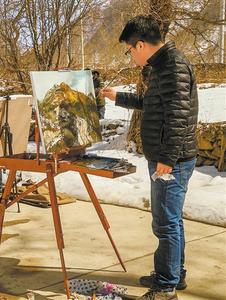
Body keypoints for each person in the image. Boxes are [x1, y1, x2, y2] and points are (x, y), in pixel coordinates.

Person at [101, 15, 198, 300]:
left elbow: (178, 117)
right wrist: (118, 97)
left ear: (140, 44)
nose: (130, 55)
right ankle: (173, 275)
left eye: (129, 49)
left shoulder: (173, 66)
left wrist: (166, 159)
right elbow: (151, 103)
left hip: (172, 161)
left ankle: (165, 287)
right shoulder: (161, 66)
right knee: (171, 220)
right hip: (166, 157)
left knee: (165, 222)